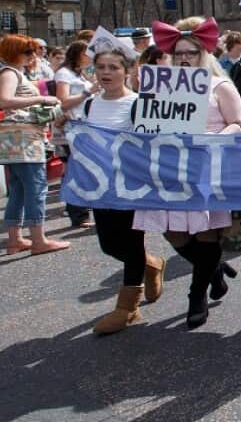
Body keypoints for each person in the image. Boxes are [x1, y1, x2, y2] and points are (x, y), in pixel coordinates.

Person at [134, 17, 241, 329]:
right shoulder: (158, 85)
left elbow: (239, 123)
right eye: (180, 52)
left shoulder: (219, 85)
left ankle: (197, 295)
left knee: (206, 231)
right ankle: (213, 269)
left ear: (204, 55)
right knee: (173, 232)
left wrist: (215, 140)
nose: (185, 58)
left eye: (192, 53)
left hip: (205, 168)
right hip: (169, 170)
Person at [74, 41, 167, 334]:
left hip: (130, 185)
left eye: (113, 67)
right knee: (109, 244)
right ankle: (152, 265)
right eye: (100, 67)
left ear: (127, 71)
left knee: (129, 242)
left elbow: (150, 144)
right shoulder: (90, 103)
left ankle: (128, 308)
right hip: (101, 185)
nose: (105, 72)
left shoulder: (139, 103)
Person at [0, 35, 67, 256]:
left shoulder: (12, 72)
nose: (33, 56)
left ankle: (16, 239)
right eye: (28, 52)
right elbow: (4, 100)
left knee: (18, 189)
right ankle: (38, 239)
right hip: (23, 138)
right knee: (36, 188)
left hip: (15, 139)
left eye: (33, 51)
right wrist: (40, 100)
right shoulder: (9, 72)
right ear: (13, 52)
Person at [53, 41, 97, 227]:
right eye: (87, 54)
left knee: (83, 168)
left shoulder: (80, 73)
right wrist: (87, 92)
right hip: (71, 127)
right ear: (78, 54)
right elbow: (62, 101)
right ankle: (77, 213)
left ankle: (82, 209)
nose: (90, 58)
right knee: (75, 170)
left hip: (83, 126)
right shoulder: (64, 74)